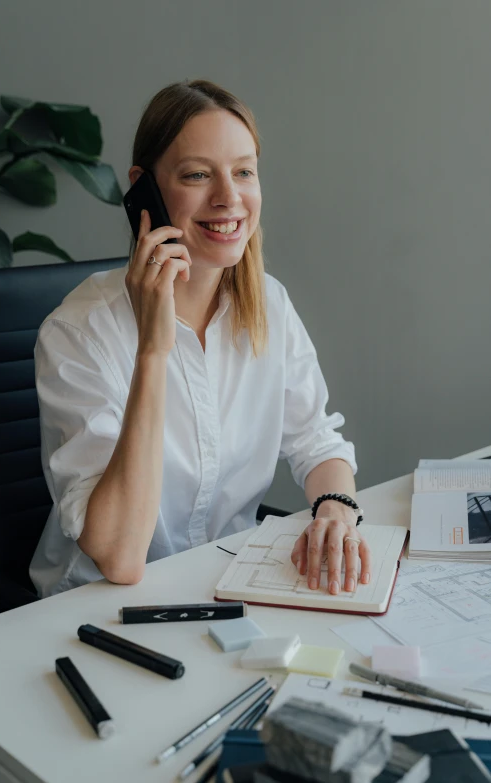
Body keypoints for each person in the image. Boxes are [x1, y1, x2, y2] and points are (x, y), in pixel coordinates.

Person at [29, 79, 371, 598]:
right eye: (197, 175)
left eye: (244, 172)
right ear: (144, 189)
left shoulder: (268, 304)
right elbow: (120, 558)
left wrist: (335, 511)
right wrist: (153, 350)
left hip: (223, 585)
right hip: (95, 605)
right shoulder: (79, 332)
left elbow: (315, 440)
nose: (229, 198)